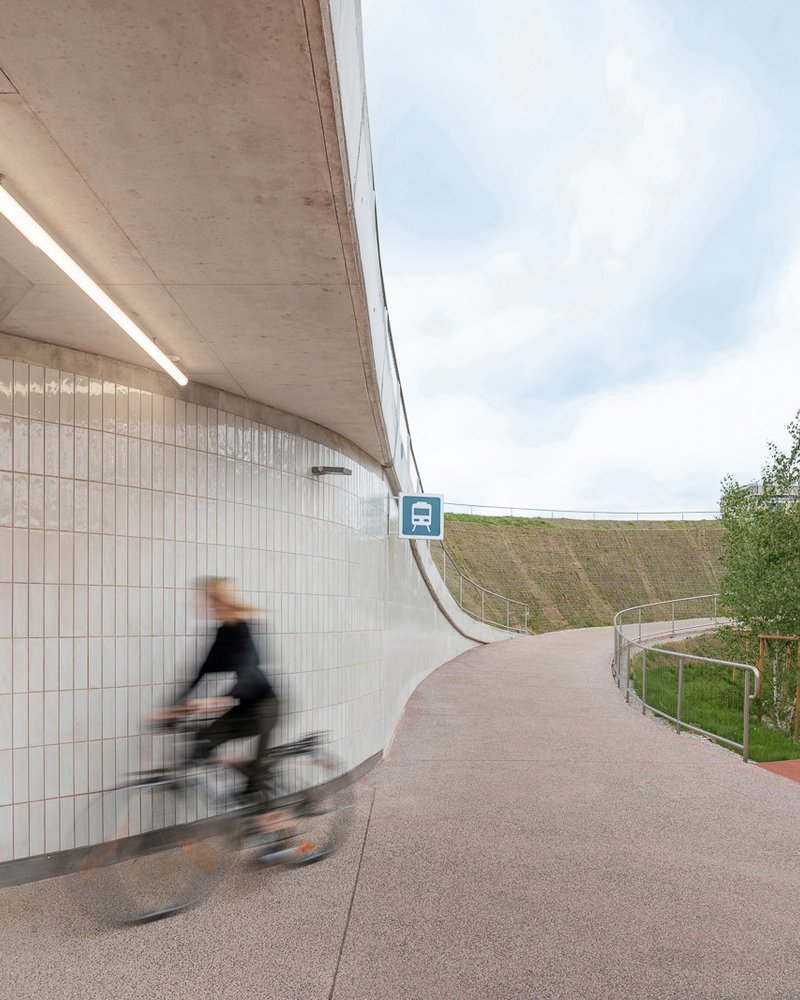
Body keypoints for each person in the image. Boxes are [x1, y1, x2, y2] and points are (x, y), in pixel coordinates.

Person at [158, 577, 279, 800]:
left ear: (221, 601)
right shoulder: (222, 633)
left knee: (252, 791)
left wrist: (220, 700)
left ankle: (265, 815)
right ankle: (242, 769)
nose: (202, 605)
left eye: (207, 600)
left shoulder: (242, 629)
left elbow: (249, 670)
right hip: (245, 709)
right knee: (202, 741)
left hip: (264, 708)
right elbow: (199, 673)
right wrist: (173, 707)